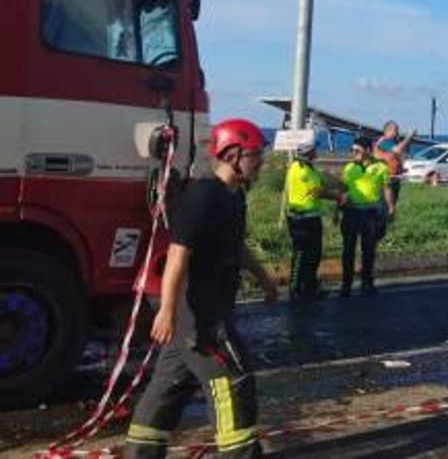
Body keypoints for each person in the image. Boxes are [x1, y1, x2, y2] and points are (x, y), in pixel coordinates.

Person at [125, 119, 277, 458]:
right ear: (232, 154)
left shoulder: (233, 196)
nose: (261, 162)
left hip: (201, 313)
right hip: (198, 314)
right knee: (231, 379)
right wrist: (166, 311)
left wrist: (263, 277)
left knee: (169, 386)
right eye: (255, 155)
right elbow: (177, 256)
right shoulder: (203, 195)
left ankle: (141, 452)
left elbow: (235, 247)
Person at [339, 136, 394, 297]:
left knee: (368, 250)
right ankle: (346, 285)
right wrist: (337, 211)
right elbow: (343, 189)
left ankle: (367, 283)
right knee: (348, 250)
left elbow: (386, 188)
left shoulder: (380, 168)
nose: (354, 153)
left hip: (370, 213)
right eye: (353, 150)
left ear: (368, 151)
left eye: (358, 150)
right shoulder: (349, 167)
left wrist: (391, 207)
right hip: (351, 212)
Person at [284, 140, 337, 301]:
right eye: (314, 150)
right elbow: (317, 192)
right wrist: (338, 196)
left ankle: (308, 288)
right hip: (303, 219)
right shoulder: (303, 171)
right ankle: (295, 290)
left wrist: (340, 184)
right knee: (301, 254)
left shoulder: (303, 167)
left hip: (309, 217)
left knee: (313, 254)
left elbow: (322, 180)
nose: (317, 152)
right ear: (308, 153)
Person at [374, 121, 415, 207]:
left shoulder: (391, 142)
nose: (397, 132)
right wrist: (409, 137)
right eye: (396, 130)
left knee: (392, 206)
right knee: (386, 207)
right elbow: (397, 150)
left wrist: (400, 169)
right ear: (388, 130)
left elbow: (395, 156)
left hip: (393, 178)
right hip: (386, 180)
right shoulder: (384, 141)